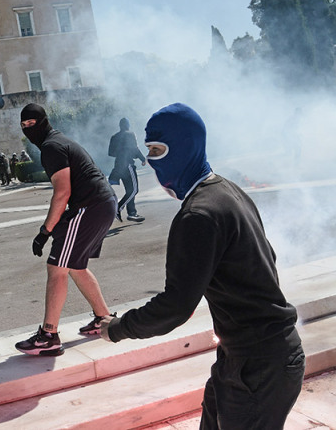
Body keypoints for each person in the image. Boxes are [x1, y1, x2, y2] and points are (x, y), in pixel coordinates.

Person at [100, 103, 304, 429]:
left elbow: (176, 306)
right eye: (149, 150)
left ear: (186, 146)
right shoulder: (227, 190)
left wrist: (117, 328)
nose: (152, 161)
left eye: (159, 150)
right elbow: (268, 260)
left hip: (259, 366)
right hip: (248, 358)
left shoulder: (198, 215)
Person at [15, 103, 118, 356]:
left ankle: (49, 335)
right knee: (74, 266)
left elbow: (63, 192)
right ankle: (104, 319)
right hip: (102, 202)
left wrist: (45, 231)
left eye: (32, 124)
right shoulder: (58, 141)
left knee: (56, 267)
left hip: (90, 206)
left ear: (44, 122)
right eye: (24, 126)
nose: (29, 129)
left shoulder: (51, 147)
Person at [107, 117, 147, 222]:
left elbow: (110, 153)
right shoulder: (130, 134)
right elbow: (135, 148)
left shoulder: (114, 137)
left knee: (129, 190)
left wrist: (121, 152)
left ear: (120, 126)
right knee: (134, 190)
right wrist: (143, 159)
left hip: (118, 166)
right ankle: (118, 208)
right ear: (128, 125)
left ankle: (132, 213)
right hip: (128, 165)